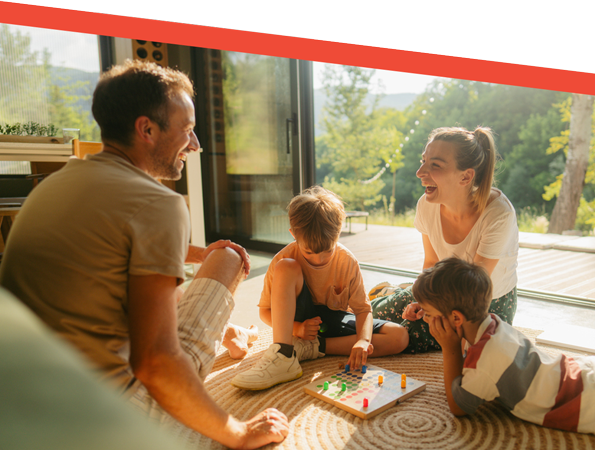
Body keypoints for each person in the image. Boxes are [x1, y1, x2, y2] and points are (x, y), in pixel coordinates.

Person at [0, 60, 288, 449]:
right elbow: (156, 363)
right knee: (230, 259)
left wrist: (198, 253)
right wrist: (237, 432)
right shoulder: (159, 204)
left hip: (21, 396)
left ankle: (225, 332)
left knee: (200, 269)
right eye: (187, 130)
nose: (195, 144)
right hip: (102, 415)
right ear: (146, 129)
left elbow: (113, 242)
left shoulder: (57, 183)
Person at [231, 186, 409, 390]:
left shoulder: (347, 261)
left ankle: (313, 349)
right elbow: (264, 311)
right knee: (286, 267)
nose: (320, 259)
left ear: (339, 232)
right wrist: (297, 328)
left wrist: (362, 340)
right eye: (309, 252)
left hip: (333, 321)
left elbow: (362, 310)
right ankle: (284, 354)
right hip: (297, 323)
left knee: (399, 336)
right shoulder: (283, 259)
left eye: (327, 250)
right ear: (293, 235)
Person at [371, 126, 519, 354]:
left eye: (435, 165)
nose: (420, 172)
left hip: (482, 303)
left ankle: (325, 343)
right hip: (441, 291)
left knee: (405, 334)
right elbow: (430, 263)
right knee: (372, 313)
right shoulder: (426, 204)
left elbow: (474, 289)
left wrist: (430, 309)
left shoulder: (498, 214)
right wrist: (420, 299)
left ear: (466, 176)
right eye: (423, 161)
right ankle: (390, 295)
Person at [413, 257, 595, 434]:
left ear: (456, 318)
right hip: (577, 374)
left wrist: (449, 348)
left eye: (428, 313)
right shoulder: (493, 323)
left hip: (584, 402)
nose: (425, 318)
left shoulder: (485, 361)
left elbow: (458, 407)